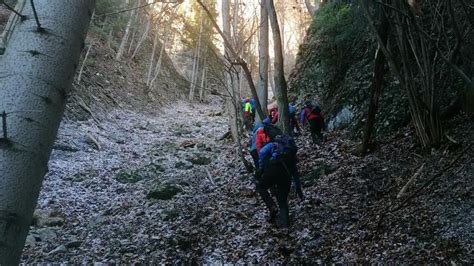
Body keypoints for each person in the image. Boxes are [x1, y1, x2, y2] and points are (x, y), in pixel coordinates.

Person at [255, 135, 297, 228]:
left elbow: (262, 152)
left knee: (260, 187)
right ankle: (285, 225)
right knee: (282, 199)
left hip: (274, 167)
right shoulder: (290, 151)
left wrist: (261, 168)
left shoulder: (273, 144)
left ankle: (272, 206)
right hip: (286, 173)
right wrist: (298, 188)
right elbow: (294, 170)